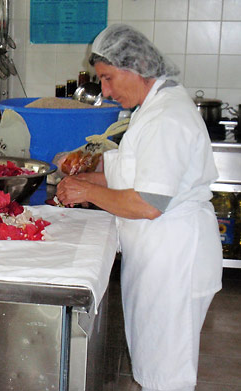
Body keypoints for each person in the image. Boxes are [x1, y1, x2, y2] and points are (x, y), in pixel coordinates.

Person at [56, 24, 222, 391]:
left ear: (136, 67)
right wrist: (87, 177)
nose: (106, 90)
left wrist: (87, 190)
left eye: (108, 78)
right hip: (158, 255)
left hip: (174, 260)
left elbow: (147, 202)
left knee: (167, 376)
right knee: (153, 365)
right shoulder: (152, 109)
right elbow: (133, 178)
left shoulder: (167, 118)